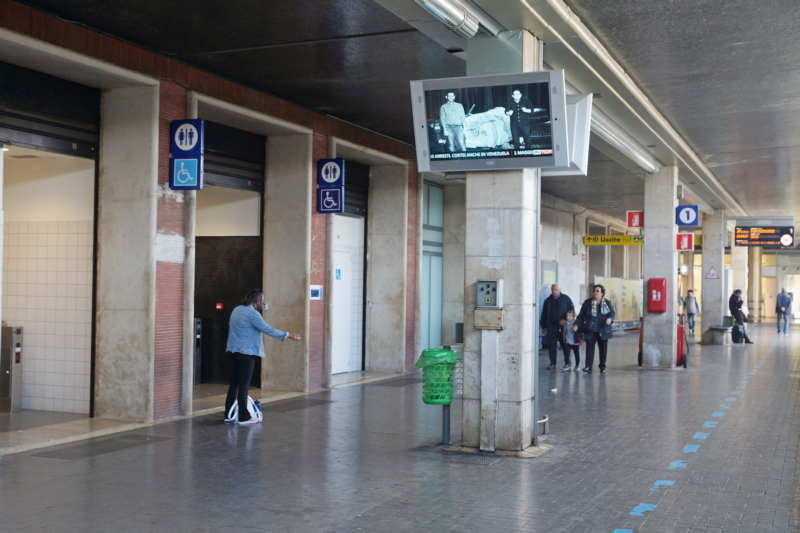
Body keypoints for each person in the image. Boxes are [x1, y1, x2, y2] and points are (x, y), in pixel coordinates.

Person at [224, 289, 301, 424]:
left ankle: (228, 414)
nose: (262, 303)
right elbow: (267, 329)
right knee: (244, 385)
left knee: (234, 383)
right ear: (257, 301)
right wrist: (288, 335)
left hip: (232, 351)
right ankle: (243, 416)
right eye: (261, 301)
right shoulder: (252, 314)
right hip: (246, 353)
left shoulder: (236, 309)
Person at [574, 284, 616, 373]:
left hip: (603, 330)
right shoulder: (587, 302)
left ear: (602, 293)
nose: (595, 293)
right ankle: (588, 366)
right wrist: (577, 324)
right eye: (594, 291)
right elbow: (581, 316)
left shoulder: (607, 303)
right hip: (591, 329)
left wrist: (610, 319)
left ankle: (602, 366)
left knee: (603, 349)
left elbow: (612, 313)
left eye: (597, 291)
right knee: (589, 349)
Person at [539, 284, 574, 371]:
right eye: (553, 290)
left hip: (563, 326)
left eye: (556, 289)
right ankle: (552, 363)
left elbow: (572, 311)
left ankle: (567, 361)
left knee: (565, 345)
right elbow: (543, 314)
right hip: (551, 326)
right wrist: (543, 326)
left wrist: (566, 320)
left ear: (560, 290)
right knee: (552, 345)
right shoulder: (547, 301)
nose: (554, 291)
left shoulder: (566, 299)